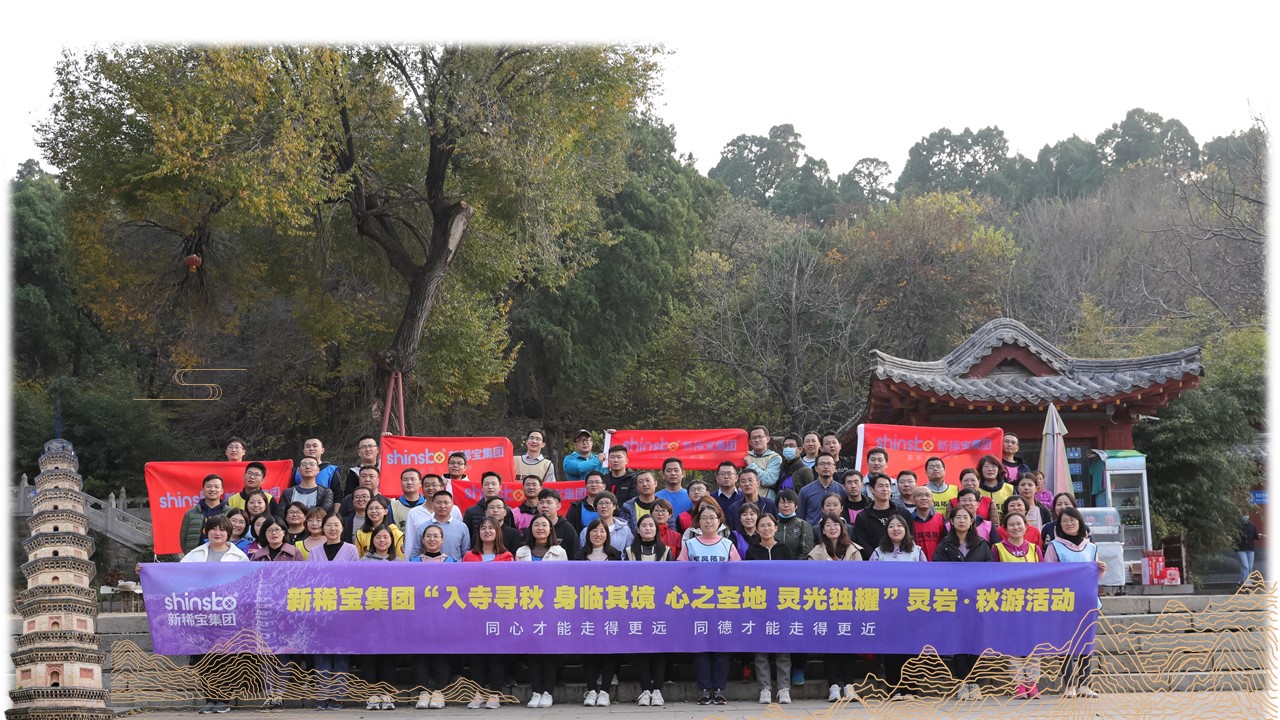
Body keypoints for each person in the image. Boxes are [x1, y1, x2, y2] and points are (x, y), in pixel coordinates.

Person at [181, 515, 248, 715]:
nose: (217, 533)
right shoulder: (195, 554)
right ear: (206, 531)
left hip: (228, 617)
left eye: (222, 530)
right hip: (201, 616)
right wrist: (146, 570)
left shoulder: (239, 557)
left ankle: (223, 699)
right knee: (204, 658)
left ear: (229, 533)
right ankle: (210, 698)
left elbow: (247, 585)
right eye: (213, 529)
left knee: (226, 658)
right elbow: (175, 575)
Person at [931, 505, 992, 701]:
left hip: (976, 600)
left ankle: (974, 683)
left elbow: (991, 571)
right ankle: (963, 683)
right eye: (958, 517)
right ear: (951, 521)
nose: (962, 520)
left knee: (976, 640)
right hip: (953, 600)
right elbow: (937, 571)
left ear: (972, 521)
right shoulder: (944, 545)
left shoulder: (982, 545)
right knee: (957, 640)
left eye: (966, 517)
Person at [679, 503, 738, 705]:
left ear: (719, 520)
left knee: (721, 647)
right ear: (698, 522)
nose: (708, 521)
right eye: (704, 518)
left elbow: (737, 573)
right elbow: (681, 571)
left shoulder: (727, 545)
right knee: (701, 646)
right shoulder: (690, 545)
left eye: (712, 517)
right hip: (698, 604)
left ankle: (719, 689)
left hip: (723, 603)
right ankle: (704, 689)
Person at [1044, 506, 1106, 699]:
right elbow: (1048, 574)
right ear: (1059, 525)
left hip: (1088, 601)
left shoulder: (1091, 547)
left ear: (1079, 522)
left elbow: (1095, 576)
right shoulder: (1054, 546)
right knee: (1065, 644)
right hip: (1064, 601)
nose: (1068, 524)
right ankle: (1069, 684)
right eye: (1064, 521)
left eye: (1072, 520)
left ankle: (1084, 684)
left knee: (1086, 642)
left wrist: (1101, 570)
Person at [803, 513, 860, 703]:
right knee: (830, 647)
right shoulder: (816, 552)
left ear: (842, 528)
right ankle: (833, 686)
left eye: (836, 524)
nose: (832, 528)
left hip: (849, 605)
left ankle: (849, 686)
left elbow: (862, 577)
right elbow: (810, 580)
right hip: (826, 606)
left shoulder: (853, 550)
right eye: (828, 525)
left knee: (848, 647)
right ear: (823, 530)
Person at [870, 514, 926, 700]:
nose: (895, 529)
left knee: (911, 649)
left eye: (899, 526)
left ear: (906, 529)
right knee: (891, 649)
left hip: (912, 607)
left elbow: (926, 578)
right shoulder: (879, 552)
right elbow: (870, 578)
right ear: (886, 531)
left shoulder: (916, 551)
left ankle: (910, 690)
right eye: (891, 526)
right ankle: (894, 690)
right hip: (888, 609)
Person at [515, 514, 566, 709]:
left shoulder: (559, 552)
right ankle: (536, 691)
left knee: (549, 651)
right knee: (533, 651)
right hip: (528, 606)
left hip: (551, 607)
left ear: (550, 529)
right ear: (531, 529)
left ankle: (548, 692)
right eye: (536, 524)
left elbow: (563, 581)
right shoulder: (521, 552)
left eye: (544, 525)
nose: (540, 528)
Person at [991, 511, 1042, 699]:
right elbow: (993, 576)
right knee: (1013, 645)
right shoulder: (998, 548)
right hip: (1009, 603)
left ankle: (1032, 684)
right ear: (1005, 528)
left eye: (1019, 524)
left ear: (1026, 526)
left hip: (1032, 603)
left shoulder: (1034, 549)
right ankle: (1018, 684)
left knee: (1033, 644)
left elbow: (1044, 575)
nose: (1016, 527)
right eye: (1011, 525)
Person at [624, 516, 673, 704]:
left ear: (656, 529)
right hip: (637, 608)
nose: (647, 528)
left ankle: (658, 690)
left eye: (651, 525)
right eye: (643, 525)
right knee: (641, 649)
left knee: (659, 649)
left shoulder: (666, 551)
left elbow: (671, 580)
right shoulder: (629, 552)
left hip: (660, 608)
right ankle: (645, 689)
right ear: (637, 529)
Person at [745, 512, 793, 704]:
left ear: (776, 528)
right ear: (757, 529)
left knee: (783, 648)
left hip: (782, 604)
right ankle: (764, 688)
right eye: (762, 525)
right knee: (761, 648)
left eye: (769, 525)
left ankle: (783, 688)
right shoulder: (752, 551)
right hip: (760, 605)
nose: (766, 528)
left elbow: (792, 576)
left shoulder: (785, 549)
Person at [574, 518, 621, 707]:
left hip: (610, 610)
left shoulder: (616, 555)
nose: (598, 534)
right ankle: (591, 689)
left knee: (609, 651)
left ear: (607, 535)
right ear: (588, 534)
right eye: (594, 531)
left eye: (602, 531)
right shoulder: (578, 556)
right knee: (588, 651)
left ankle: (605, 691)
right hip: (586, 610)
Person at [408, 524, 455, 710]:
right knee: (421, 655)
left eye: (436, 536)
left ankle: (439, 692)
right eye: (428, 536)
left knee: (442, 654)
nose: (432, 539)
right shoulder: (413, 563)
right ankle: (423, 692)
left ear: (442, 540)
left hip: (444, 617)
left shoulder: (452, 562)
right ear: (422, 540)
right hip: (419, 616)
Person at [360, 525, 401, 710]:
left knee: (388, 656)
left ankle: (388, 694)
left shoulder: (400, 563)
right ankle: (372, 695)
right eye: (378, 537)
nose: (382, 540)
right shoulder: (363, 562)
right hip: (367, 617)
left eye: (386, 537)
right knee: (369, 656)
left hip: (391, 618)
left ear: (391, 540)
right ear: (372, 540)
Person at [851, 473, 913, 560]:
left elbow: (910, 537)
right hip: (874, 563)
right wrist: (878, 559)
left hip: (901, 561)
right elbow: (863, 543)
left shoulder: (903, 513)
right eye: (880, 486)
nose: (885, 489)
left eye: (887, 486)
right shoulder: (863, 516)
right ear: (872, 489)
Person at [405, 490, 470, 561]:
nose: (442, 506)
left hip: (454, 567)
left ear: (452, 505)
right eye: (438, 503)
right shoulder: (422, 527)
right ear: (432, 505)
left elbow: (466, 554)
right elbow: (415, 553)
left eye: (446, 503)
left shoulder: (462, 527)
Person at [179, 474, 227, 554]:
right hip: (196, 556)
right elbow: (183, 539)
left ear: (222, 491)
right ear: (203, 490)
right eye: (209, 486)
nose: (212, 489)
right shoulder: (191, 513)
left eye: (216, 487)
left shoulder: (229, 512)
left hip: (223, 556)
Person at [798, 454, 846, 525]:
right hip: (812, 530)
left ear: (834, 468)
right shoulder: (805, 491)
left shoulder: (842, 490)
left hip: (834, 530)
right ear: (816, 468)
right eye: (822, 464)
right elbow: (800, 517)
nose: (826, 467)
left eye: (829, 464)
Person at [536, 488, 580, 557]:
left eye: (549, 502)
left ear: (558, 506)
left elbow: (574, 554)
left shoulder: (567, 528)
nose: (544, 506)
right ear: (537, 506)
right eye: (541, 502)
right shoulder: (534, 527)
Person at [463, 471, 508, 537]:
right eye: (486, 484)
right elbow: (466, 536)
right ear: (482, 487)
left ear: (500, 487)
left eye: (493, 484)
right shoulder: (471, 511)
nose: (490, 487)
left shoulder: (507, 510)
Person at [775, 489, 815, 560]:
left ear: (796, 506)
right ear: (777, 505)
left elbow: (806, 551)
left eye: (790, 502)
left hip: (797, 565)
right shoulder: (773, 525)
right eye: (783, 502)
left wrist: (795, 564)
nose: (786, 505)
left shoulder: (804, 525)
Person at [744, 424, 782, 499]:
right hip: (745, 500)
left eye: (760, 437)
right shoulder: (745, 456)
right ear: (750, 441)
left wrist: (751, 465)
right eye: (754, 438)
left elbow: (768, 480)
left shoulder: (774, 458)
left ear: (767, 439)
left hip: (766, 500)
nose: (757, 440)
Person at [909, 486, 945, 561]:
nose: (924, 498)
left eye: (927, 495)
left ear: (932, 500)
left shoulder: (940, 519)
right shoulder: (908, 520)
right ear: (912, 501)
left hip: (937, 563)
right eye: (919, 495)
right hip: (915, 563)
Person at [975, 455, 1014, 525]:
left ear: (999, 469)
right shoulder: (975, 490)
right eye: (986, 466)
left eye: (993, 466)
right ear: (981, 469)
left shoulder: (1009, 488)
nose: (990, 469)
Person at [345, 435, 380, 505]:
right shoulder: (354, 472)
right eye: (364, 447)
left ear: (377, 450)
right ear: (359, 452)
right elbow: (349, 496)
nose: (368, 449)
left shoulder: (385, 468)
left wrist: (388, 439)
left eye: (371, 446)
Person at [389, 467, 427, 532]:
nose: (409, 482)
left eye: (413, 479)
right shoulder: (392, 506)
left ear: (420, 483)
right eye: (405, 479)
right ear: (401, 483)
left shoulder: (428, 504)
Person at [1237, 515, 1265, 586]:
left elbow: (1255, 536)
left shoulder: (1252, 525)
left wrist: (1260, 536)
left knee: (1249, 567)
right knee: (1245, 566)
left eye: (1246, 515)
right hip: (1241, 548)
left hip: (1250, 549)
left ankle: (1242, 581)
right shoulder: (1237, 525)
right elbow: (1234, 536)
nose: (1245, 517)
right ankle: (1245, 582)